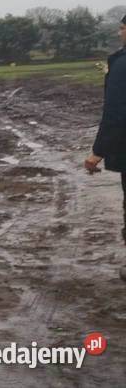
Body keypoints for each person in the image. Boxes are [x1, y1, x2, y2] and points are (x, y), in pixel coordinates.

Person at [84, 15, 126, 280]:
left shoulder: (122, 66)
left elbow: (116, 113)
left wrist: (97, 152)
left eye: (122, 28)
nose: (120, 32)